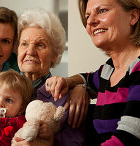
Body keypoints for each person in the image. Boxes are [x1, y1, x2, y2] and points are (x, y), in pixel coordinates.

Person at [46, 0, 140, 145]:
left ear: (133, 16)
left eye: (102, 11)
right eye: (87, 16)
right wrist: (73, 84)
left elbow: (129, 139)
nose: (90, 21)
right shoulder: (109, 69)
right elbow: (88, 78)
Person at [13, 8, 89, 146]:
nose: (30, 51)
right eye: (24, 44)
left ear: (55, 54)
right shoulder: (3, 87)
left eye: (40, 45)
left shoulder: (68, 99)